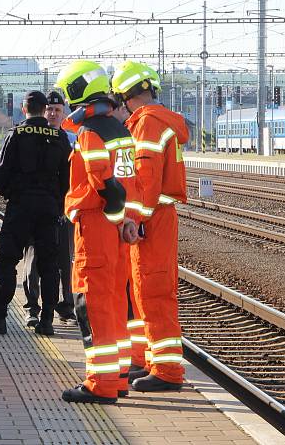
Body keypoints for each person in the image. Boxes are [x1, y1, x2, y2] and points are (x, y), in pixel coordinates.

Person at [55, 60, 140, 404]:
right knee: (116, 304)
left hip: (96, 227)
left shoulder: (90, 133)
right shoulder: (120, 130)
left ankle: (100, 384)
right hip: (118, 229)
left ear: (77, 90)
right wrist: (127, 221)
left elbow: (103, 183)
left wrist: (115, 214)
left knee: (93, 306)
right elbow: (127, 183)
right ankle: (118, 377)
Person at [110, 60, 189, 392]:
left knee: (154, 291)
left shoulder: (147, 125)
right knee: (142, 290)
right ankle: (145, 359)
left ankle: (168, 371)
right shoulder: (155, 122)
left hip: (152, 218)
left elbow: (146, 181)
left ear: (127, 95)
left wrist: (133, 220)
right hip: (155, 216)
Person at [0, 91, 71, 336]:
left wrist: (11, 195)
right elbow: (67, 177)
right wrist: (56, 204)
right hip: (48, 210)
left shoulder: (15, 134)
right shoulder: (59, 136)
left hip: (21, 208)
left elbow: (1, 174)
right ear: (44, 109)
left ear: (24, 109)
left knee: (6, 260)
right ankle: (47, 321)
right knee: (49, 265)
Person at [21, 90, 77, 327]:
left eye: (57, 111)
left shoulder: (71, 139)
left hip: (64, 210)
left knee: (65, 260)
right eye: (49, 110)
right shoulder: (31, 136)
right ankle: (32, 307)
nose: (53, 114)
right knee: (33, 260)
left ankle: (66, 307)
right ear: (43, 111)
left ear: (63, 114)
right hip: (37, 209)